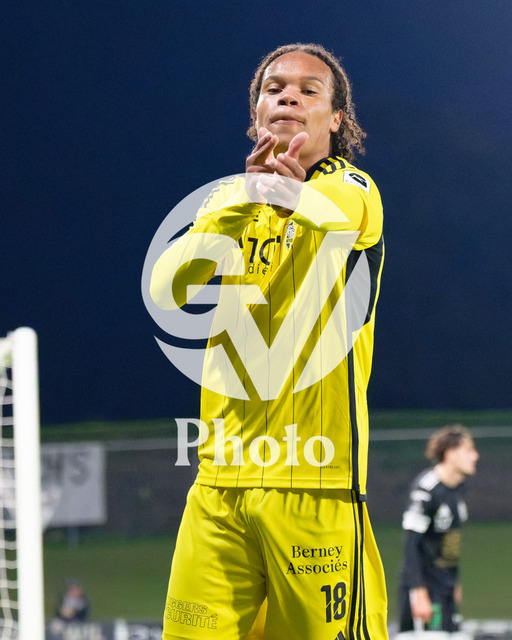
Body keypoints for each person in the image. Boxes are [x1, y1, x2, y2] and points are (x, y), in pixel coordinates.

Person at [150, 43, 387, 639]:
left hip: (314, 484)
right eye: (273, 88)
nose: (288, 97)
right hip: (219, 485)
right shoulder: (227, 201)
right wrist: (241, 204)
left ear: (337, 118)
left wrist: (284, 195)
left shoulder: (353, 187)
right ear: (256, 112)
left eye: (310, 90)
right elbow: (166, 288)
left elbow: (335, 218)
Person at [398, 424, 479, 633]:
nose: (475, 456)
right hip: (425, 586)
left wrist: (455, 580)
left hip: (446, 584)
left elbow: (450, 539)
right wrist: (418, 591)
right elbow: (411, 544)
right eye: (469, 450)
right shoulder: (427, 489)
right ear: (450, 454)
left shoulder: (458, 488)